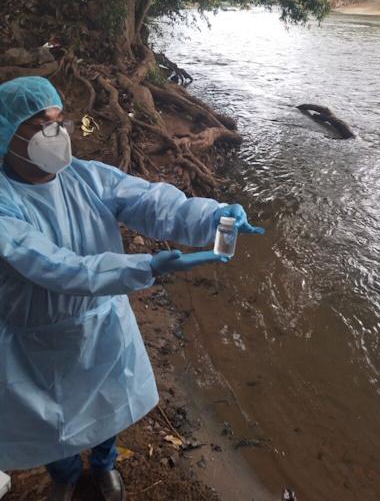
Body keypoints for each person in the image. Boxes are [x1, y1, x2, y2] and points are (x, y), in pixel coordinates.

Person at [0, 76, 264, 501]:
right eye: (42, 125)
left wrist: (212, 216)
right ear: (8, 133)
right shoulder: (4, 203)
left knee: (106, 404)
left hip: (101, 324)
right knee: (49, 420)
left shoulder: (85, 178)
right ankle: (65, 473)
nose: (58, 134)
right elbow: (55, 267)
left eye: (60, 122)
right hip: (36, 339)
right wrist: (148, 266)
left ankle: (104, 466)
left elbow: (152, 202)